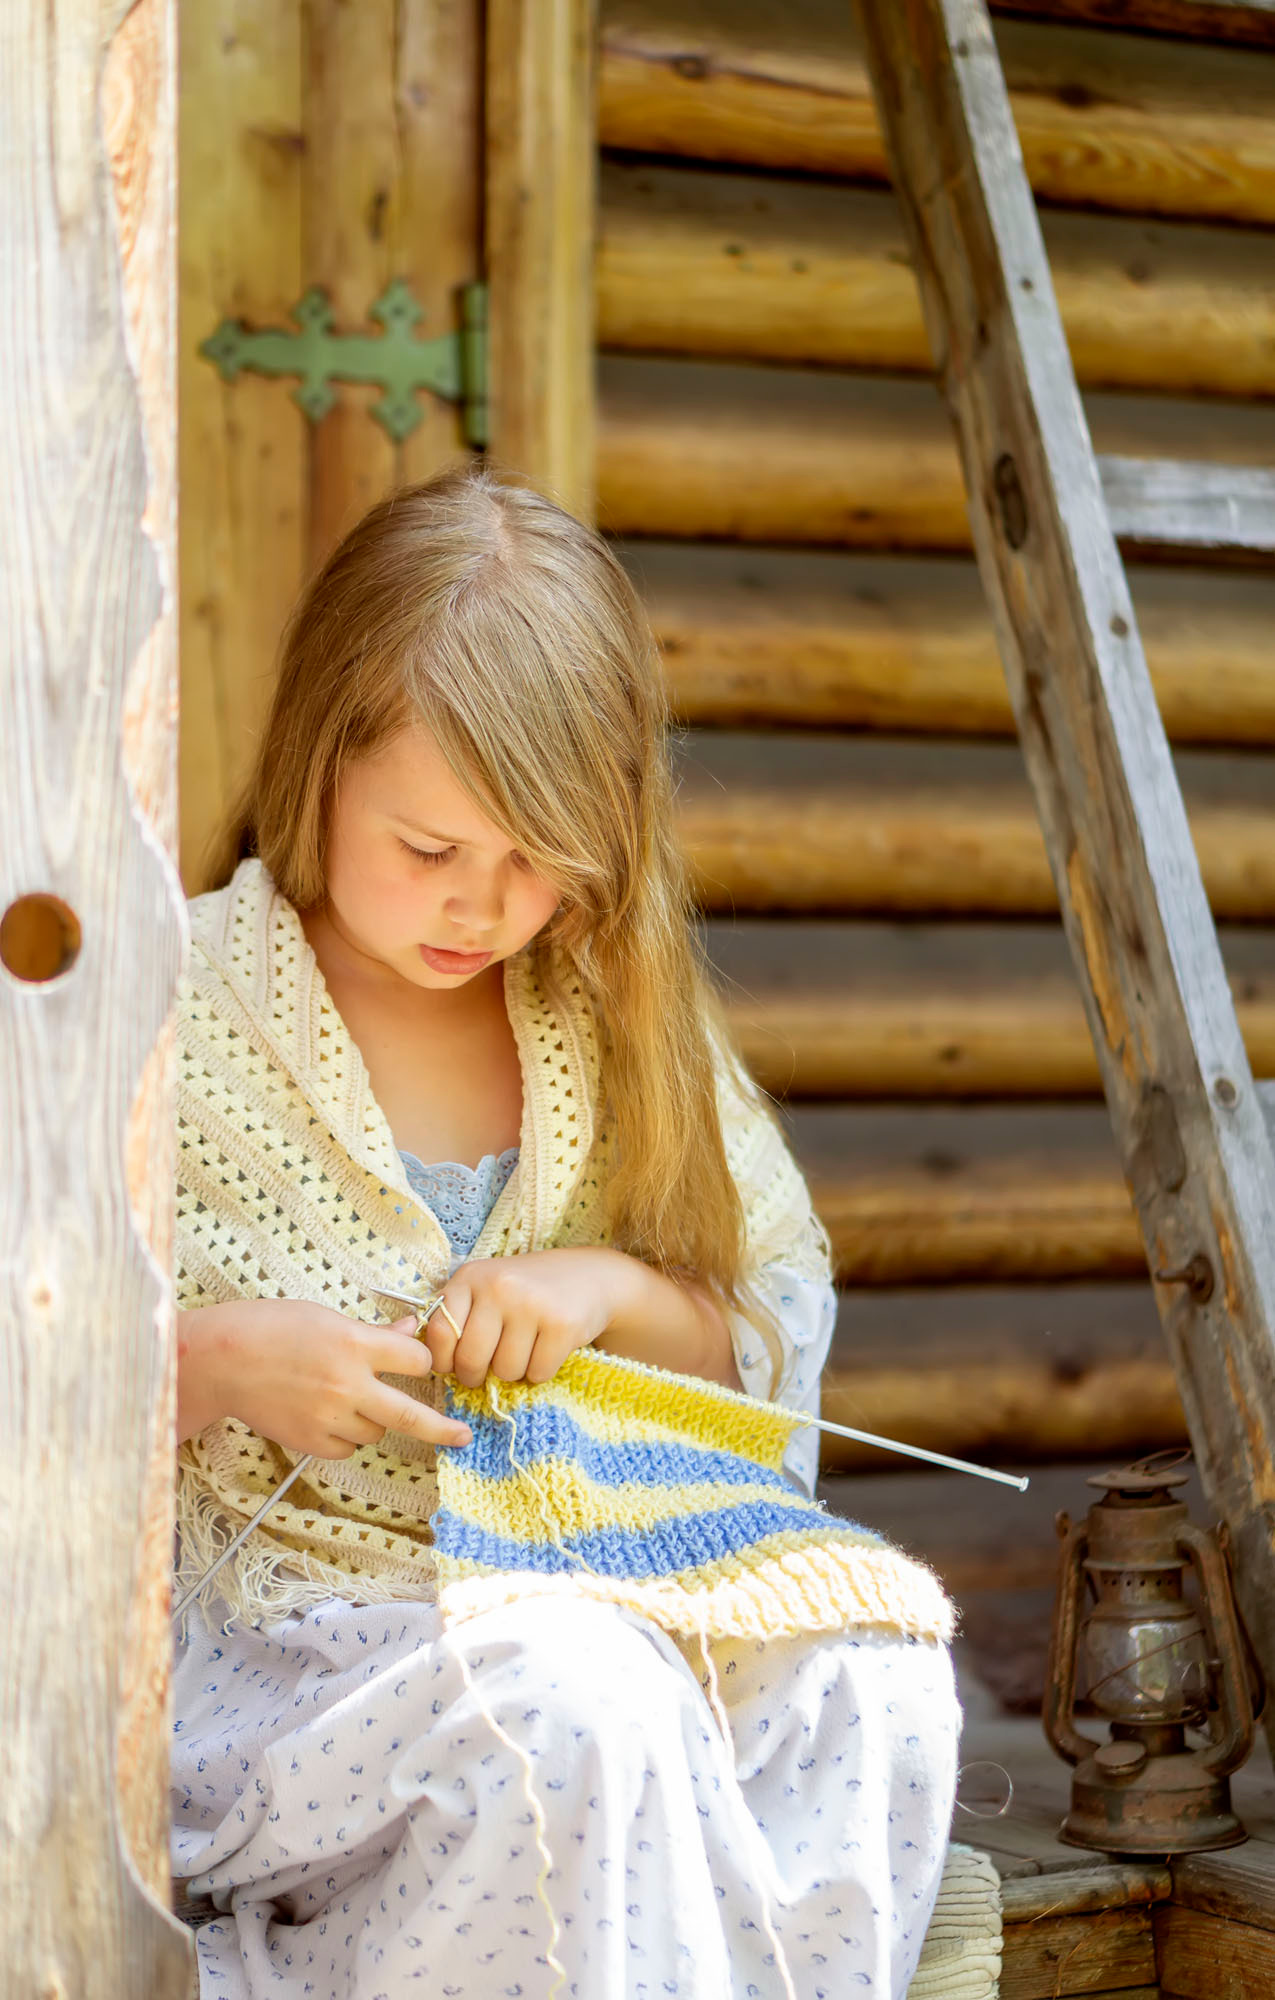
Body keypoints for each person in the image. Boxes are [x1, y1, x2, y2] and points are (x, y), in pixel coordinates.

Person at [170, 466, 960, 1999]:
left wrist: (607, 1292)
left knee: (878, 1675)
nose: (481, 907)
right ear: (319, 760)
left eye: (537, 859)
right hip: (296, 1648)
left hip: (614, 1580)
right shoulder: (170, 1002)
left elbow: (761, 1323)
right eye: (430, 848)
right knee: (576, 1709)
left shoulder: (608, 1011)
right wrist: (214, 1364)